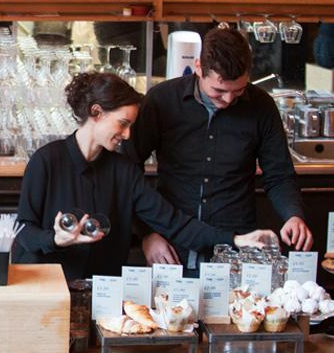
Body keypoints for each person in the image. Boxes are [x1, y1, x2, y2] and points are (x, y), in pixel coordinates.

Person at [12, 72, 275, 279]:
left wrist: (235, 240)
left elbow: (175, 223)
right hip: (48, 289)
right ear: (96, 112)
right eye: (123, 124)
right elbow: (25, 231)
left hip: (104, 297)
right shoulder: (47, 160)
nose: (127, 136)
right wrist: (56, 239)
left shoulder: (123, 171)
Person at [127, 27, 312, 270]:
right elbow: (128, 170)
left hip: (238, 245)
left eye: (238, 91)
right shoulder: (162, 100)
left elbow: (279, 175)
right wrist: (146, 234)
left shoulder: (261, 107)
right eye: (219, 91)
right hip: (171, 243)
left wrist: (292, 214)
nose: (227, 101)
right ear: (198, 68)